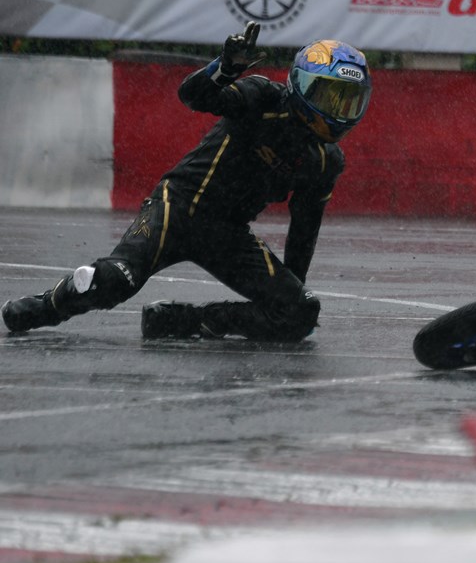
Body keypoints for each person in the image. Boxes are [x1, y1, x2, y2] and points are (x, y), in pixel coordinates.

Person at [1, 22, 372, 342]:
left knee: (301, 313)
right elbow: (192, 96)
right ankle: (43, 306)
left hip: (228, 236)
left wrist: (290, 293)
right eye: (330, 96)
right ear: (302, 85)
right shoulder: (263, 98)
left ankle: (184, 320)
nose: (339, 111)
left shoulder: (327, 161)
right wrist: (224, 68)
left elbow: (304, 230)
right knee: (118, 279)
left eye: (348, 102)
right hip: (176, 209)